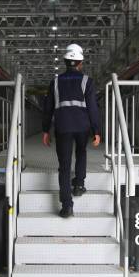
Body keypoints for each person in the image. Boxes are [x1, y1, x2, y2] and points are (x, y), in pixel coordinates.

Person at [42, 44, 101, 218]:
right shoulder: (87, 81)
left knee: (64, 167)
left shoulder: (55, 82)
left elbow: (48, 108)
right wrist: (97, 130)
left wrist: (46, 130)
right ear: (80, 62)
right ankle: (79, 185)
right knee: (81, 152)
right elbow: (93, 108)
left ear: (66, 62)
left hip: (63, 127)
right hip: (82, 126)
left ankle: (67, 205)